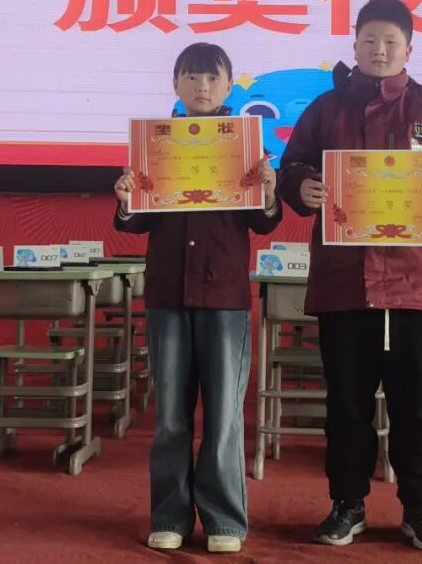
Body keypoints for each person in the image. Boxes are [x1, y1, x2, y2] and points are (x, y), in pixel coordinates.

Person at [278, 0, 422, 552]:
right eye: (369, 41)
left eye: (390, 42)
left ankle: (421, 508)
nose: (378, 50)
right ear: (354, 46)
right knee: (346, 404)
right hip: (345, 282)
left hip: (417, 283)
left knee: (416, 405)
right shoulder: (326, 108)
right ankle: (347, 505)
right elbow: (291, 165)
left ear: (408, 50)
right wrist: (301, 185)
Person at [114, 42, 281, 554]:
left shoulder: (246, 146)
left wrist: (268, 192)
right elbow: (136, 222)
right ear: (176, 85)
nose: (202, 87)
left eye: (212, 78)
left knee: (224, 415)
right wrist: (127, 200)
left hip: (224, 294)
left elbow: (262, 222)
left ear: (229, 86)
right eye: (191, 77)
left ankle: (225, 520)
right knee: (170, 416)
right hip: (168, 293)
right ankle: (170, 515)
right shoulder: (155, 146)